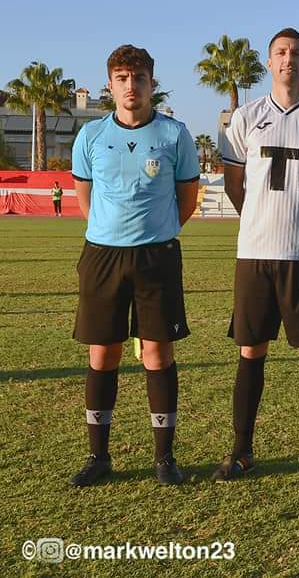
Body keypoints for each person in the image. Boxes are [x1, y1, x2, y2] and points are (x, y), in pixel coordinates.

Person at [211, 28, 299, 482]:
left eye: (296, 52)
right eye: (280, 52)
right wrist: (260, 217)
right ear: (269, 63)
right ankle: (241, 450)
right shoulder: (244, 118)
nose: (288, 58)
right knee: (251, 350)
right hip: (255, 253)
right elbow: (236, 186)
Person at [69, 45, 199, 486]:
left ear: (151, 84)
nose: (131, 86)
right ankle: (99, 457)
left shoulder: (175, 135)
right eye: (122, 78)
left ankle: (165, 458)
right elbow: (86, 199)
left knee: (157, 354)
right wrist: (110, 232)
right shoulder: (90, 137)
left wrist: (152, 234)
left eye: (139, 78)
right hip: (102, 256)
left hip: (156, 257)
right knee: (103, 353)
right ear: (110, 85)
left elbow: (187, 199)